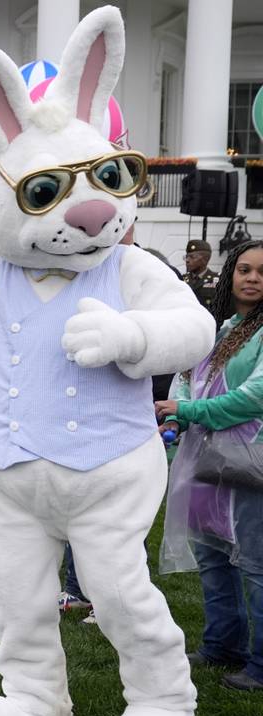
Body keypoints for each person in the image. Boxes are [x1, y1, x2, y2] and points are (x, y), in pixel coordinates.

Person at [159, 239, 263, 692]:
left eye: (262, 271)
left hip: (249, 459)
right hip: (203, 455)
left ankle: (260, 666)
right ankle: (223, 644)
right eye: (244, 269)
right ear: (231, 275)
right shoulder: (220, 330)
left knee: (256, 562)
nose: (253, 278)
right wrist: (179, 408)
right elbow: (187, 376)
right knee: (213, 554)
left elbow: (255, 397)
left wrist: (189, 413)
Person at [182, 239, 218, 310]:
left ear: (205, 259)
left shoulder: (217, 281)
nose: (187, 260)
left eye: (192, 257)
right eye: (186, 257)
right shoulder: (181, 279)